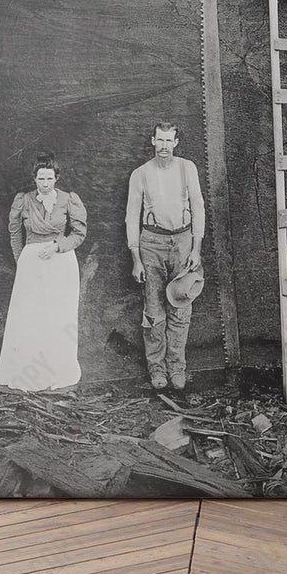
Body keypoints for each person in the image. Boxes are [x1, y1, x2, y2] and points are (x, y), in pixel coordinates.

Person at [0, 153, 86, 393]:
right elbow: (15, 233)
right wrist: (24, 261)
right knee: (29, 317)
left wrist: (58, 246)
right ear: (34, 179)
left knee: (58, 316)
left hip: (61, 262)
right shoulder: (23, 200)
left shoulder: (68, 200)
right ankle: (26, 373)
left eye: (49, 178)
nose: (45, 183)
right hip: (32, 263)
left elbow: (79, 233)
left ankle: (56, 370)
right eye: (40, 178)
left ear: (57, 178)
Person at [126, 122, 206, 391]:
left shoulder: (187, 168)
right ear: (152, 141)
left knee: (180, 307)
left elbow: (198, 206)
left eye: (168, 140)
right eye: (159, 140)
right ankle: (157, 370)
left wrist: (196, 248)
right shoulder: (141, 174)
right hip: (151, 243)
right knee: (153, 311)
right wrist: (136, 257)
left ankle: (177, 368)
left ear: (176, 142)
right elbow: (131, 216)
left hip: (183, 242)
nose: (163, 146)